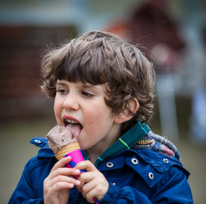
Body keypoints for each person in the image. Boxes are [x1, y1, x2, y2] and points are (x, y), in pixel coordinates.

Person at [9, 30, 193, 203]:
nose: (67, 103)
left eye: (87, 93)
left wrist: (113, 197)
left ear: (124, 110)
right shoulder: (39, 169)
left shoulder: (164, 176)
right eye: (62, 90)